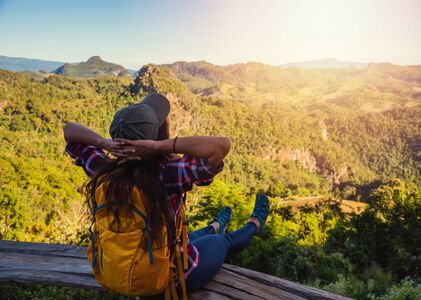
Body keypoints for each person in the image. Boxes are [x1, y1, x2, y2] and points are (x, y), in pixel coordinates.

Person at [63, 93, 270, 299]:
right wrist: (157, 146)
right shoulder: (167, 174)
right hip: (168, 279)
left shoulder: (103, 170)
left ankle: (215, 225)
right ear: (152, 139)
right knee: (223, 242)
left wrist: (105, 143)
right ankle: (254, 223)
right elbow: (221, 145)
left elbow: (69, 130)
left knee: (191, 236)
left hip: (114, 268)